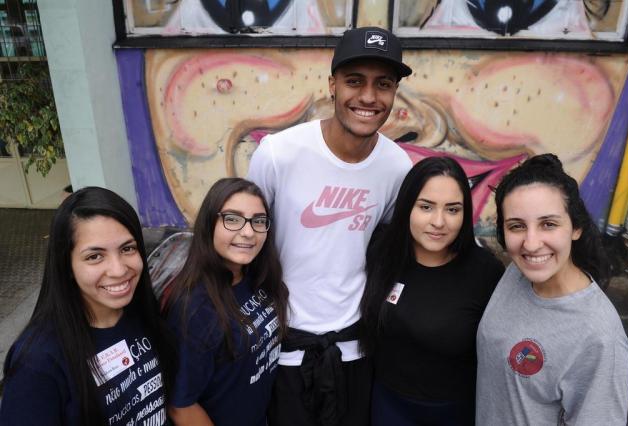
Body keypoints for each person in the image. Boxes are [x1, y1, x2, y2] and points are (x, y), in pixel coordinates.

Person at [247, 25, 414, 426]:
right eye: (355, 81)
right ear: (332, 85)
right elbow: (246, 243)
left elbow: (387, 250)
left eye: (384, 84)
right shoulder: (278, 154)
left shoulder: (396, 167)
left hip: (354, 349)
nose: (369, 97)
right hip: (285, 347)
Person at [476, 154, 628, 425]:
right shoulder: (517, 273)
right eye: (517, 226)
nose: (531, 243)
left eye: (548, 224)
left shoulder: (600, 339)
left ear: (576, 227)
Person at [0, 187, 176, 426]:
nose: (119, 270)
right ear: (67, 266)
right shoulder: (37, 362)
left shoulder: (143, 313)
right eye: (94, 256)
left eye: (127, 248)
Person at [360, 156, 504, 425]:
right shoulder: (383, 253)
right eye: (426, 207)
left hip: (453, 413)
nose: (439, 222)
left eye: (452, 209)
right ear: (406, 208)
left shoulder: (485, 272)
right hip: (387, 406)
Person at [164, 178, 288, 426]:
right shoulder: (194, 307)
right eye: (232, 219)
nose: (248, 232)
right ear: (210, 223)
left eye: (258, 221)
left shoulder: (256, 277)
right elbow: (181, 406)